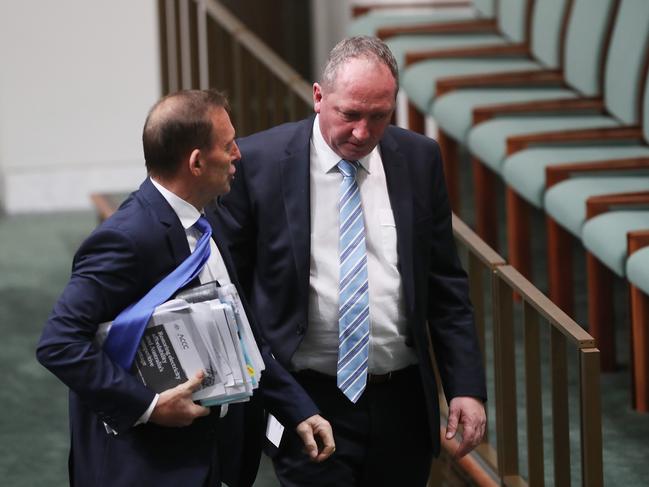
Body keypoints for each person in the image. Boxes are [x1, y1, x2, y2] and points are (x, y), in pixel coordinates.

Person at [212, 36, 487, 486]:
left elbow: (445, 286)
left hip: (401, 397)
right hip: (307, 398)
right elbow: (231, 289)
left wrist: (467, 387)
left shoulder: (419, 158)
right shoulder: (259, 163)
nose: (362, 132)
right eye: (350, 114)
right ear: (319, 97)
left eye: (379, 116)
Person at [36, 89, 334, 487]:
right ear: (196, 162)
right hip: (147, 468)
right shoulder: (126, 238)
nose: (238, 156)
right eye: (229, 146)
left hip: (212, 460)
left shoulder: (204, 223)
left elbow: (242, 336)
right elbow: (58, 343)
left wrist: (299, 409)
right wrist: (150, 405)